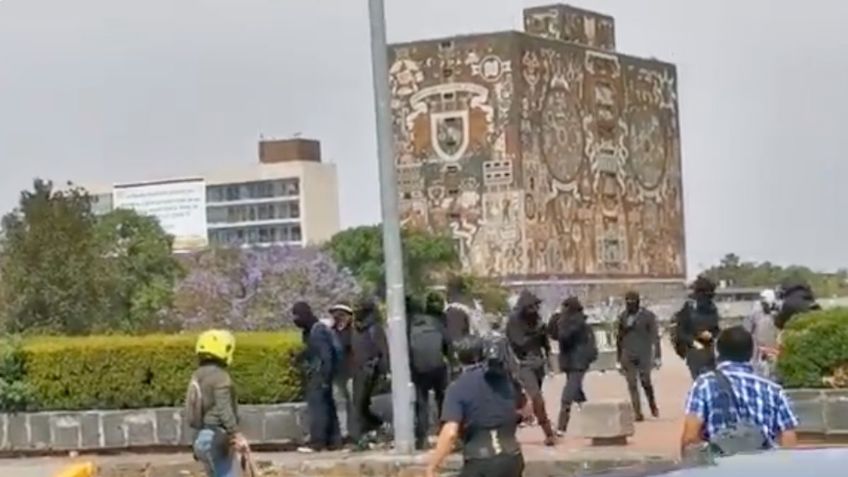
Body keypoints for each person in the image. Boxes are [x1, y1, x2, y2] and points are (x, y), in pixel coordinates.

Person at [680, 326, 799, 456]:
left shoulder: (704, 385)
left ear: (717, 352)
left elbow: (690, 439)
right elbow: (789, 442)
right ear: (752, 354)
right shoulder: (774, 390)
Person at [426, 335, 525, 477]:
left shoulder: (457, 387)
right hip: (513, 459)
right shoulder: (506, 381)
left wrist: (432, 466)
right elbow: (523, 409)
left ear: (457, 357)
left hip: (480, 462)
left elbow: (450, 433)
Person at [185, 330, 248, 477]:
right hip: (216, 438)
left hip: (200, 438)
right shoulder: (221, 377)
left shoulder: (198, 375)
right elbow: (224, 409)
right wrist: (236, 434)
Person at [506, 290, 557, 446]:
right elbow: (519, 343)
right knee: (536, 398)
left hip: (537, 364)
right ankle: (548, 431)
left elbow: (545, 344)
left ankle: (510, 430)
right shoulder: (514, 322)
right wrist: (536, 332)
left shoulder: (537, 320)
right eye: (531, 307)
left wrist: (550, 362)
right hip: (522, 364)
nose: (534, 310)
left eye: (536, 306)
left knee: (525, 402)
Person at [292, 301, 342, 453]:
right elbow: (312, 351)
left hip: (320, 374)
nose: (295, 320)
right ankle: (334, 441)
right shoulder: (310, 330)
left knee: (318, 408)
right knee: (327, 407)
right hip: (321, 373)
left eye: (297, 315)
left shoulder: (317, 330)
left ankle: (317, 442)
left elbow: (325, 355)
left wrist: (325, 377)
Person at [407, 293, 451, 450]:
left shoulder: (408, 325)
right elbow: (448, 343)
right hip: (438, 367)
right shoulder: (436, 322)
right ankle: (446, 436)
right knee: (443, 402)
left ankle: (421, 439)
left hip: (419, 369)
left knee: (422, 404)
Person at [350, 297, 390, 449]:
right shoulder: (356, 328)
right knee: (361, 406)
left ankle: (361, 439)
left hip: (369, 371)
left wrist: (385, 371)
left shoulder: (375, 328)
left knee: (359, 405)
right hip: (358, 371)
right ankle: (376, 426)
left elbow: (383, 351)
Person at [555, 296, 598, 434]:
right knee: (577, 392)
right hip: (570, 361)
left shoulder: (576, 323)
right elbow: (552, 334)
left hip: (578, 362)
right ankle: (593, 420)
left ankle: (562, 426)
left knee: (568, 394)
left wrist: (561, 321)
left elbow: (564, 337)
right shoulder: (567, 321)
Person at [616, 291, 661, 421]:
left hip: (644, 354)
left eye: (632, 301)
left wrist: (657, 356)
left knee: (646, 382)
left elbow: (655, 337)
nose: (630, 304)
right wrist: (618, 359)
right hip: (627, 354)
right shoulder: (623, 317)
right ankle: (637, 412)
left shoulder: (648, 316)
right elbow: (619, 338)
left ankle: (652, 405)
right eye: (627, 301)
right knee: (632, 384)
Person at [673, 277, 721, 379]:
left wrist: (714, 335)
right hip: (694, 352)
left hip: (710, 352)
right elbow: (680, 332)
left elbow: (715, 329)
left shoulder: (713, 308)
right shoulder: (688, 309)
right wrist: (694, 342)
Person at [330, 301, 356, 440]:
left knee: (354, 402)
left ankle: (356, 431)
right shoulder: (331, 332)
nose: (339, 317)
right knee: (339, 402)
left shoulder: (354, 332)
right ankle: (344, 432)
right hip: (337, 373)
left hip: (351, 372)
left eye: (343, 314)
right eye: (336, 314)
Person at [743, 290, 779, 379]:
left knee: (761, 368)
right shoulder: (775, 311)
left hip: (762, 344)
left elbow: (748, 327)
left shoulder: (756, 310)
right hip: (768, 344)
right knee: (769, 367)